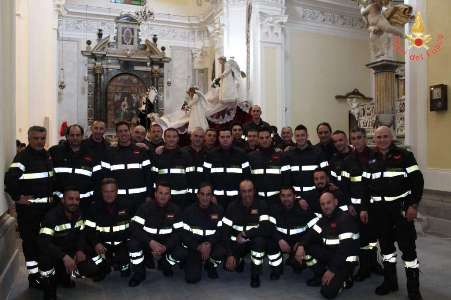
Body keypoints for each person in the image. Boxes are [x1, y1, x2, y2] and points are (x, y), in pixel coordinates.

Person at [364, 126, 424, 300]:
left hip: (401, 213)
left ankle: (413, 289)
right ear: (374, 140)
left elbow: (417, 182)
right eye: (378, 137)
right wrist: (365, 208)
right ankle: (390, 282)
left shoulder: (405, 156)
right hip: (380, 214)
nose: (382, 140)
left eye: (385, 136)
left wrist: (413, 205)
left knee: (409, 252)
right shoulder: (371, 159)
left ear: (392, 137)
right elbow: (366, 187)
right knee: (387, 251)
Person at [5, 126, 54, 289]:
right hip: (30, 212)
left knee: (44, 242)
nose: (40, 141)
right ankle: (33, 276)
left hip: (46, 210)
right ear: (29, 138)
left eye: (42, 138)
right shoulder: (23, 157)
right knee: (31, 243)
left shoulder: (46, 155)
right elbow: (10, 179)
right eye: (36, 138)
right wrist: (18, 198)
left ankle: (45, 273)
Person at [38, 187, 102, 300]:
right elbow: (44, 242)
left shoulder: (79, 214)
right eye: (70, 199)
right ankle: (49, 289)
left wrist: (80, 249)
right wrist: (64, 256)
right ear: (63, 200)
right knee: (45, 259)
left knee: (92, 265)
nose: (74, 202)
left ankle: (65, 278)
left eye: (77, 199)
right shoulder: (51, 217)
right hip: (54, 253)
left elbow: (82, 234)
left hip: (70, 250)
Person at [294, 191, 359, 299]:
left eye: (328, 203)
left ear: (336, 202)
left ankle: (346, 279)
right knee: (307, 247)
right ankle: (320, 274)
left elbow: (344, 250)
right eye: (323, 204)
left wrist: (332, 270)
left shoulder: (344, 220)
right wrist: (301, 245)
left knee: (327, 293)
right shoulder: (324, 219)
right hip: (332, 256)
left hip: (346, 261)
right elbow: (311, 234)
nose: (325, 206)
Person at [340, 128, 382, 281]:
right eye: (354, 138)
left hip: (374, 206)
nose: (356, 141)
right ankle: (364, 268)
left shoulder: (375, 157)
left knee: (372, 237)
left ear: (365, 139)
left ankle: (373, 263)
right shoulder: (347, 161)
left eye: (359, 137)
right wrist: (348, 204)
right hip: (356, 208)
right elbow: (343, 187)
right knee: (362, 238)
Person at [128, 182, 185, 287]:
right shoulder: (144, 208)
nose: (163, 196)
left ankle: (165, 265)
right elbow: (134, 228)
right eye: (160, 193)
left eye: (166, 193)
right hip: (148, 242)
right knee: (133, 244)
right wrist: (150, 242)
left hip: (166, 244)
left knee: (182, 251)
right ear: (155, 194)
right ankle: (139, 274)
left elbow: (179, 232)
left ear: (170, 195)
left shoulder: (176, 210)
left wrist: (165, 246)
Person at [222, 180, 272, 288]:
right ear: (240, 192)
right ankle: (239, 261)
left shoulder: (261, 204)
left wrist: (246, 234)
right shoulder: (232, 206)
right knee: (228, 267)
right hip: (238, 243)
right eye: (244, 191)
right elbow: (224, 231)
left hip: (254, 242)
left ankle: (255, 274)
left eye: (250, 191)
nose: (247, 194)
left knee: (260, 241)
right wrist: (229, 254)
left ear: (254, 191)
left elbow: (266, 228)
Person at [84, 178, 131, 279]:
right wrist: (96, 243)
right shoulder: (94, 208)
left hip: (122, 244)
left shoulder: (126, 205)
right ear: (101, 192)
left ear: (117, 191)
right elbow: (89, 230)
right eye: (106, 191)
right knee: (91, 258)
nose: (109, 194)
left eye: (112, 191)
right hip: (103, 245)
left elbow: (133, 227)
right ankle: (104, 267)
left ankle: (122, 263)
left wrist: (128, 241)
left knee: (125, 272)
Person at [102, 121, 153, 214]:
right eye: (120, 131)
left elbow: (148, 176)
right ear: (116, 134)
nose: (123, 133)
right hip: (118, 200)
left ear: (130, 132)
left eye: (125, 130)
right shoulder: (109, 154)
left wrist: (149, 196)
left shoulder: (141, 152)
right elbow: (105, 177)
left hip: (140, 200)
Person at [266, 186, 317, 279]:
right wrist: (279, 240)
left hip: (298, 243)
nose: (286, 199)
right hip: (281, 241)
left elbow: (315, 228)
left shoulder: (303, 208)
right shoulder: (274, 209)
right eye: (283, 196)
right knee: (270, 243)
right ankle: (276, 267)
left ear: (295, 196)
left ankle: (298, 263)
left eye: (289, 195)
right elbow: (269, 227)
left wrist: (302, 244)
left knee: (298, 267)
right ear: (279, 197)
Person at [180, 182, 226, 283]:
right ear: (198, 195)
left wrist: (209, 244)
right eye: (202, 194)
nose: (205, 198)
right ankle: (196, 263)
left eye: (208, 194)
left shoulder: (219, 210)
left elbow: (220, 231)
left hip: (211, 245)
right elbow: (184, 234)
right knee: (192, 279)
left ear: (211, 196)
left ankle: (210, 265)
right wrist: (198, 247)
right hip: (195, 247)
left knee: (222, 251)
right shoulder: (188, 211)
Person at [49, 124, 96, 213]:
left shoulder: (91, 154)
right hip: (60, 203)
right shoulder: (55, 152)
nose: (75, 138)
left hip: (84, 203)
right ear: (67, 136)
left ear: (82, 136)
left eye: (78, 135)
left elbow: (96, 179)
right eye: (72, 135)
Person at [203, 128, 251, 209]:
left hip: (237, 199)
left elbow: (247, 176)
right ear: (218, 138)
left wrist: (243, 196)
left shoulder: (241, 154)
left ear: (232, 138)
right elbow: (205, 177)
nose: (225, 139)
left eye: (227, 137)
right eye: (222, 137)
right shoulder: (210, 155)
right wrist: (210, 195)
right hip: (216, 200)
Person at [284, 124, 329, 195]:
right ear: (294, 137)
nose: (300, 138)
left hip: (315, 195)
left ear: (307, 136)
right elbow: (287, 178)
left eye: (302, 135)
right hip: (296, 197)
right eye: (297, 136)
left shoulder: (318, 152)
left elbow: (326, 174)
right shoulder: (289, 155)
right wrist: (297, 197)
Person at [248, 127, 289, 204]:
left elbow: (287, 180)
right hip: (257, 201)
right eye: (261, 138)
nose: (264, 140)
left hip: (277, 201)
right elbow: (248, 179)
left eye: (267, 137)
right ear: (258, 140)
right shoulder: (251, 157)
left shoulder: (281, 156)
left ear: (271, 138)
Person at [152, 128, 191, 208]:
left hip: (181, 199)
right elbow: (153, 176)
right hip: (162, 198)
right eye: (168, 136)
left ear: (178, 138)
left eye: (174, 136)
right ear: (164, 138)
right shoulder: (158, 155)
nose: (171, 139)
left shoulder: (185, 155)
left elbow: (190, 177)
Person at [182, 127, 208, 194]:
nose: (198, 139)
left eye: (201, 137)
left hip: (203, 194)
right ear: (191, 137)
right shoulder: (182, 152)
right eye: (195, 136)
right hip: (185, 194)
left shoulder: (209, 154)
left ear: (204, 139)